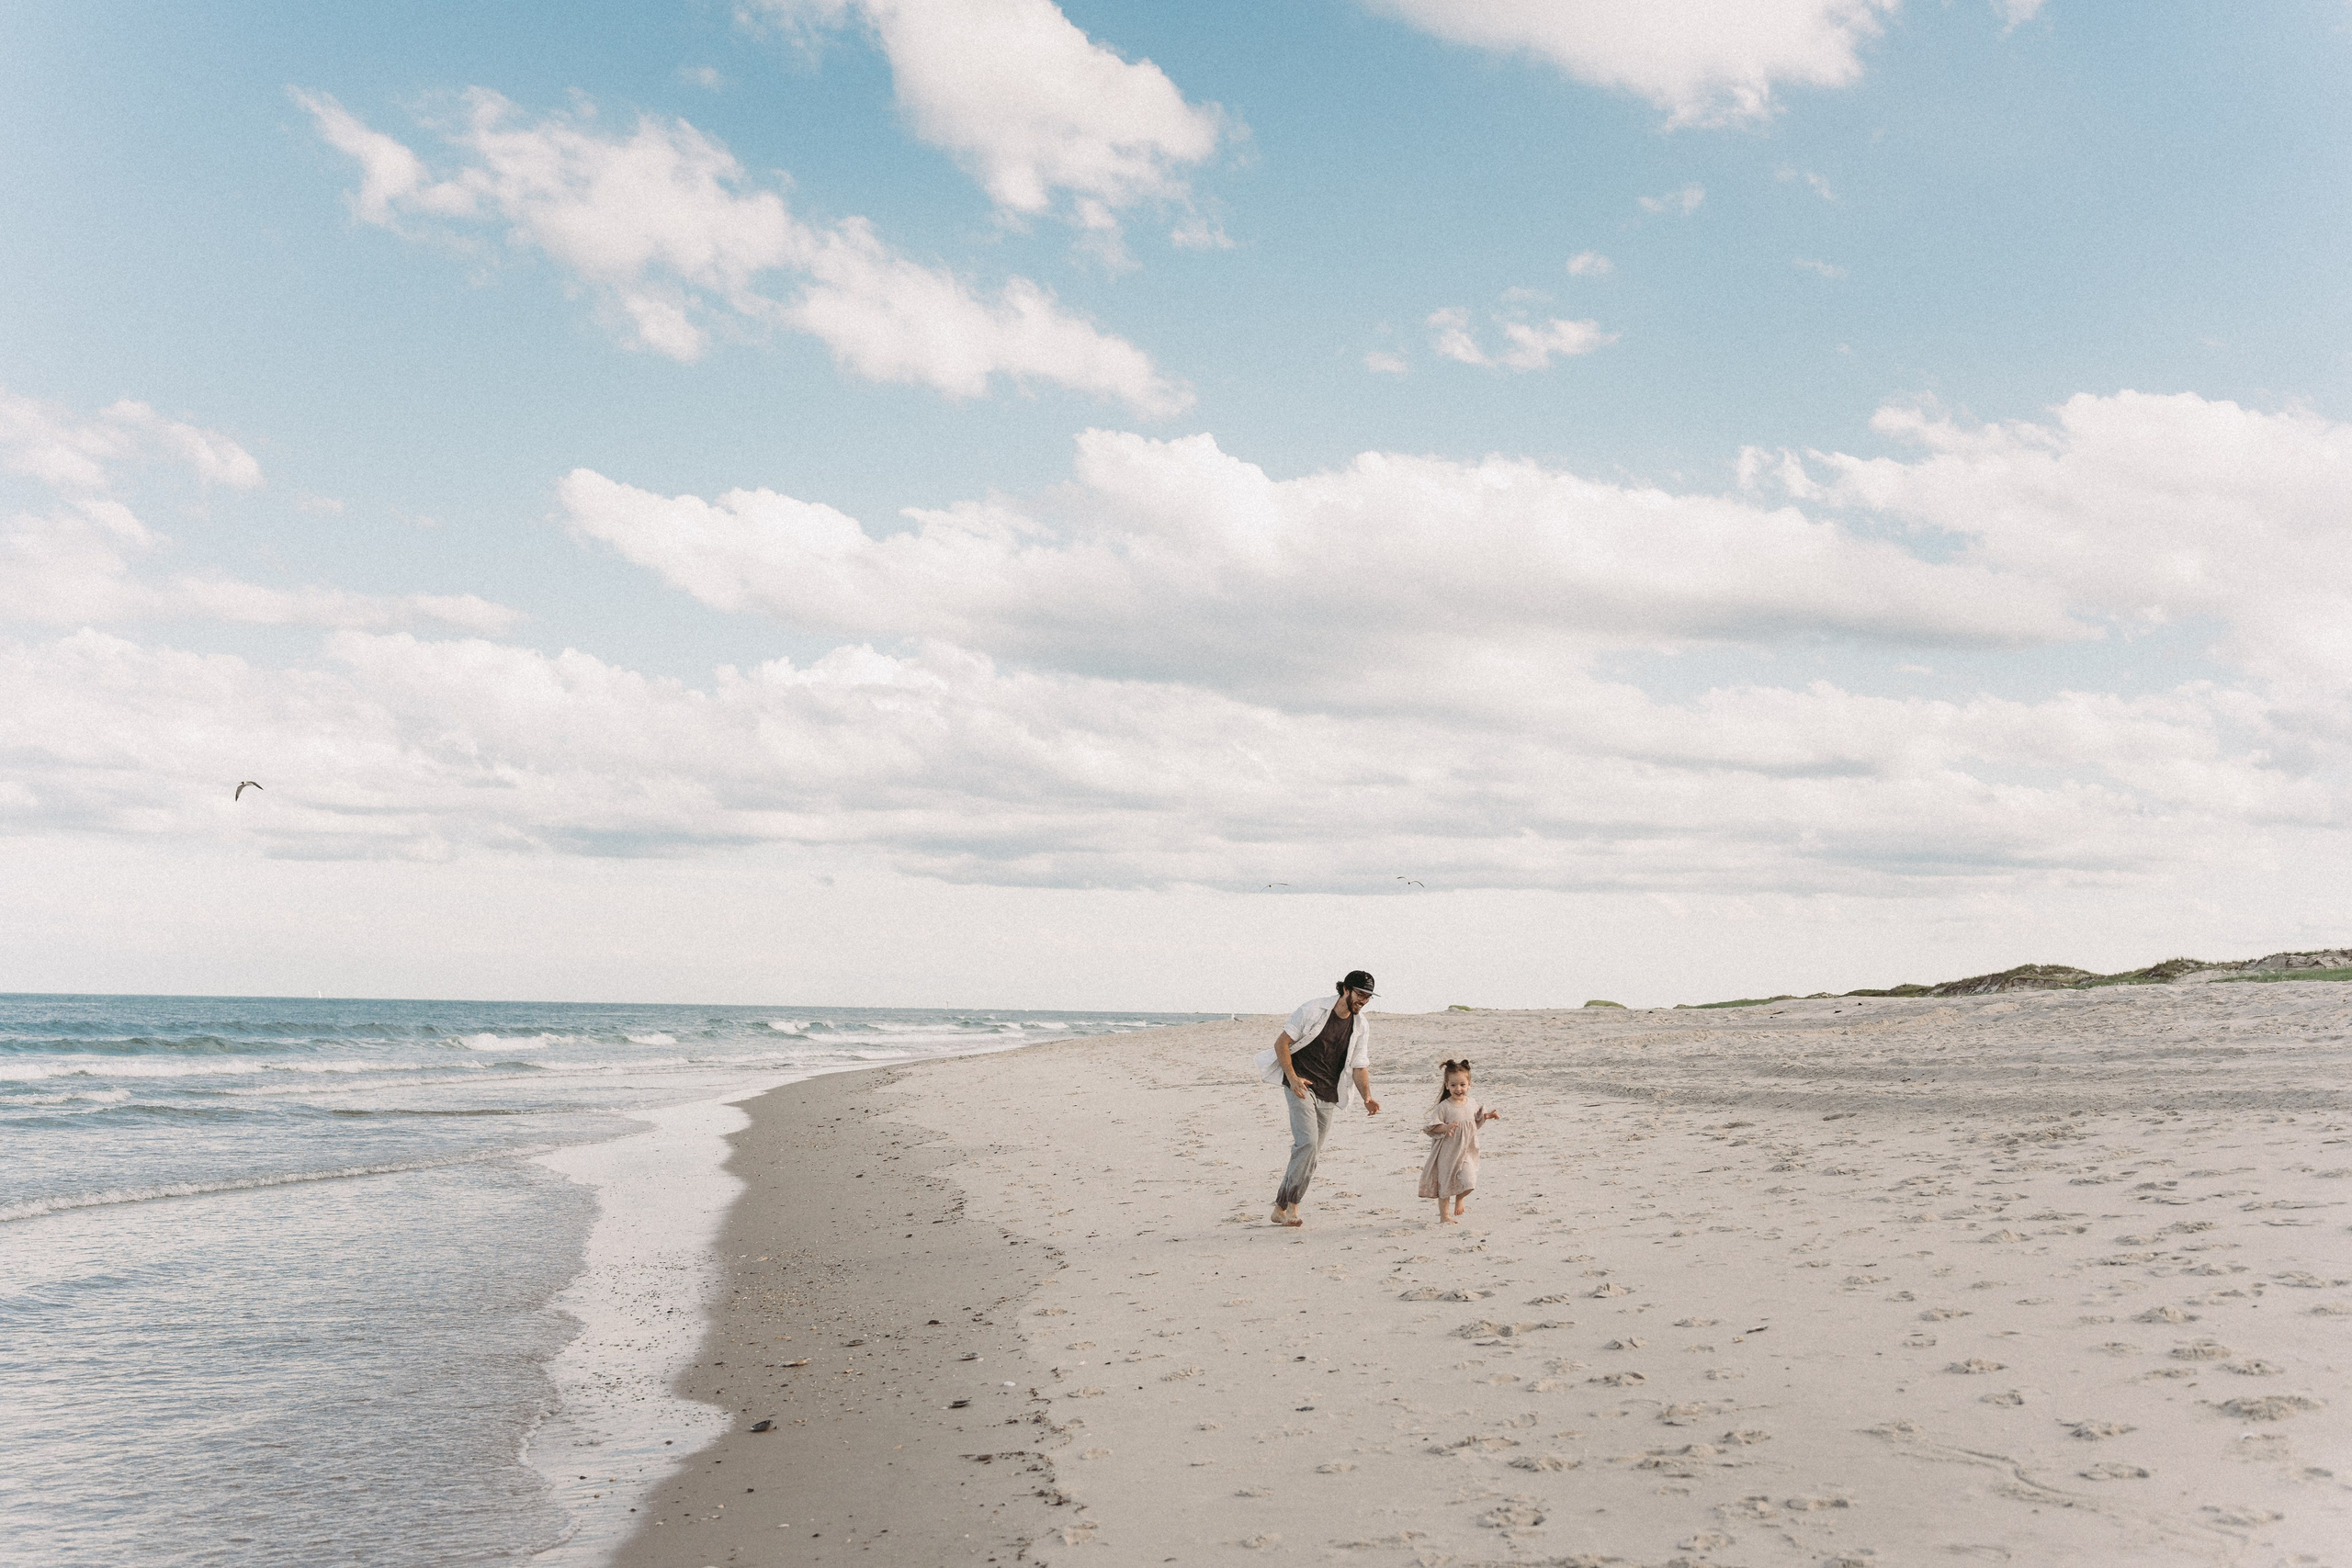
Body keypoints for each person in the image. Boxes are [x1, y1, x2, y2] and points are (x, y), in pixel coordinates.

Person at [1268, 970, 1383, 1227]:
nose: (1364, 1001)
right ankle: (1293, 1206)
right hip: (1301, 1085)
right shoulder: (1313, 1010)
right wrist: (1293, 1078)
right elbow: (1281, 1043)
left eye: (1368, 997)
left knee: (1311, 1153)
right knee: (1307, 1143)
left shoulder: (1361, 1025)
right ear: (1346, 989)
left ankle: (1279, 1207)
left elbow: (1359, 1064)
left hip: (1329, 1092)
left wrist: (1367, 1097)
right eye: (1360, 994)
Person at [1419, 1057, 1498, 1224]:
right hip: (1447, 1152)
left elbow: (1475, 1122)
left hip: (1467, 1150)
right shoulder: (1444, 1107)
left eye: (1462, 1084)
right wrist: (1445, 1127)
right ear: (1447, 1085)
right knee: (1445, 1184)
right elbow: (1431, 1127)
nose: (1458, 1089)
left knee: (1470, 1181)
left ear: (1469, 1084)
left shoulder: (1471, 1103)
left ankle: (1460, 1198)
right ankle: (1444, 1216)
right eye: (1453, 1085)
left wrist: (1487, 1116)